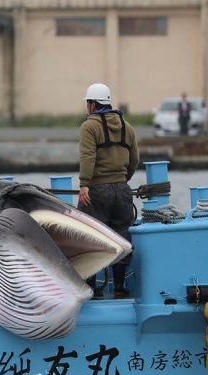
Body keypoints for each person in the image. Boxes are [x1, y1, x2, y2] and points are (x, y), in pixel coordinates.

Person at [78, 83, 140, 299]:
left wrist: (84, 183)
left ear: (93, 104)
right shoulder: (126, 126)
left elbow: (88, 156)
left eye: (88, 103)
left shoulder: (89, 126)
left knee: (90, 236)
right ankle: (121, 287)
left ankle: (92, 288)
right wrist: (123, 179)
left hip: (96, 190)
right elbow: (135, 159)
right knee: (122, 236)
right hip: (122, 190)